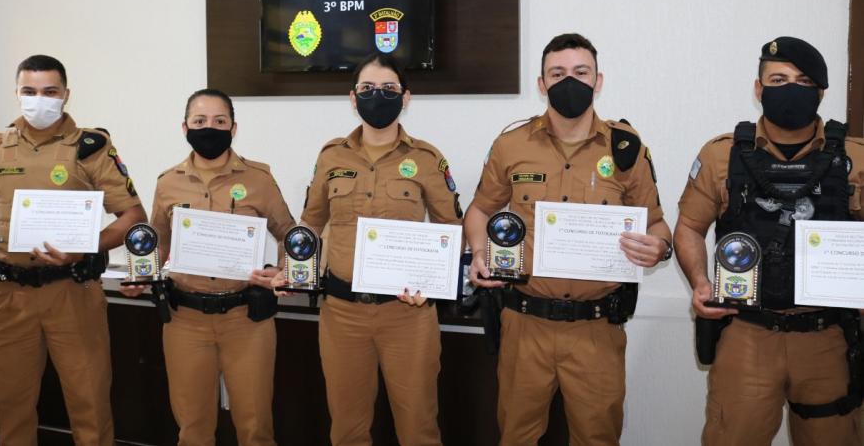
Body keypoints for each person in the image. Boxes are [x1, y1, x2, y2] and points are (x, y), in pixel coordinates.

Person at [466, 33, 671, 446]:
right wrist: (479, 252)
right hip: (525, 322)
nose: (569, 82)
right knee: (516, 436)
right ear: (542, 84)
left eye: (581, 72)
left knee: (597, 438)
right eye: (557, 74)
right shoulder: (511, 144)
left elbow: (657, 225)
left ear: (598, 81)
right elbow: (480, 210)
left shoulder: (626, 148)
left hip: (596, 329)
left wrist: (659, 248)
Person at [674, 36, 863, 446]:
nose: (790, 89)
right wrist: (700, 283)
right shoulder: (721, 155)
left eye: (803, 81)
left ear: (821, 92)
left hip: (828, 338)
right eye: (778, 80)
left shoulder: (856, 158)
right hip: (747, 334)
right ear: (758, 89)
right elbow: (688, 227)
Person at [0, 54, 146, 445]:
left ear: (65, 95)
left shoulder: (90, 147)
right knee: (11, 409)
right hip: (7, 295)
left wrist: (85, 249)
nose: (39, 100)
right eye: (30, 91)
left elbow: (133, 216)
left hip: (72, 293)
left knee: (90, 406)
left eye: (50, 91)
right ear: (17, 93)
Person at [273, 53, 463, 446]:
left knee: (419, 428)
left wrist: (434, 283)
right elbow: (310, 225)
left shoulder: (427, 159)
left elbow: (451, 229)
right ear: (353, 97)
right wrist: (291, 270)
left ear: (405, 98)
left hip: (407, 315)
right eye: (368, 88)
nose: (378, 95)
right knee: (347, 429)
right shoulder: (331, 156)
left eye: (389, 88)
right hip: (342, 314)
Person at [122, 88, 296, 445]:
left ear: (233, 128)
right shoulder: (168, 182)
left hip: (246, 320)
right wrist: (141, 275)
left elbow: (290, 235)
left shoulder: (259, 178)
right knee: (192, 429)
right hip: (186, 319)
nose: (209, 128)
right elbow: (158, 241)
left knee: (255, 429)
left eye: (219, 121)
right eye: (200, 121)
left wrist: (285, 271)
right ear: (185, 127)